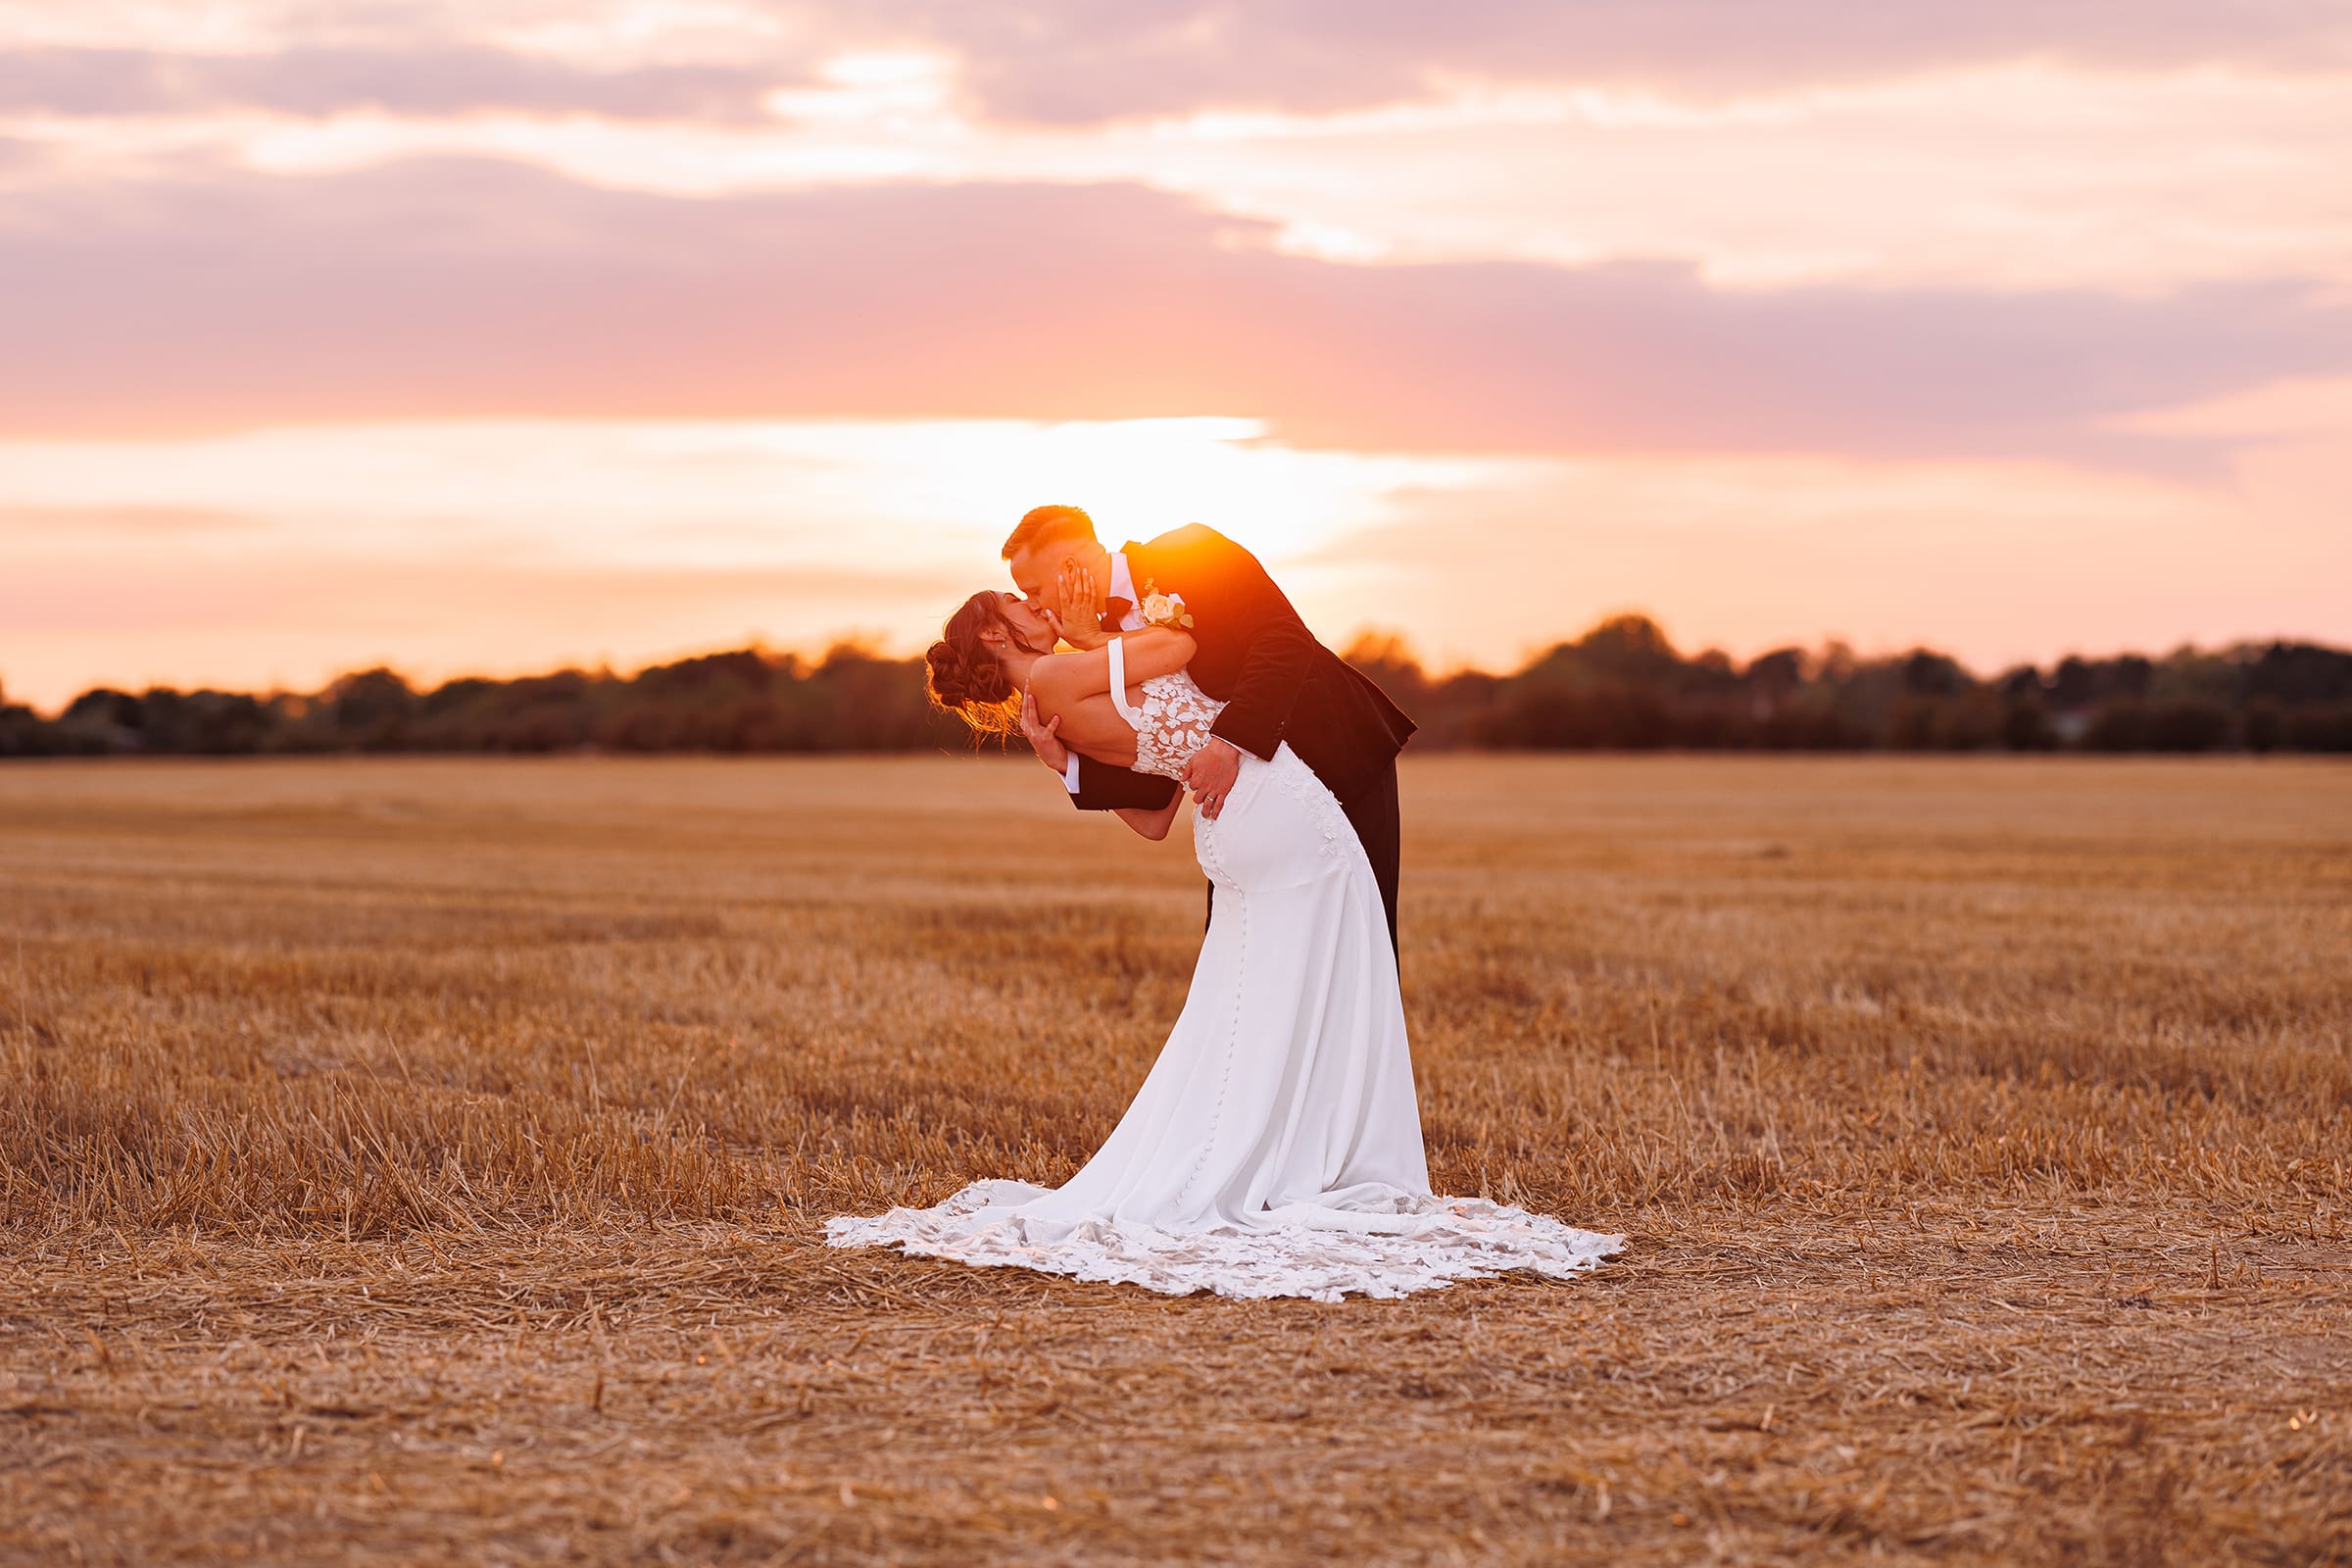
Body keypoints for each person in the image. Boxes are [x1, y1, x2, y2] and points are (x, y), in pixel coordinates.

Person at [823, 549, 1622, 1300]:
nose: (1038, 607)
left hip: (1223, 832)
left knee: (1253, 1004)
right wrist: (1101, 627)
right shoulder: (1065, 672)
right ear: (997, 634)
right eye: (1019, 604)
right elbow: (1176, 649)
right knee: (1334, 979)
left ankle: (1270, 1157)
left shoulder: (1051, 710)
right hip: (1273, 809)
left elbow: (1150, 818)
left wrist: (1055, 757)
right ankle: (1310, 1161)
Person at [1004, 506, 1415, 956]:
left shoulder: (1191, 550)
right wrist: (1065, 762)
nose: (1035, 605)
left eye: (1033, 589)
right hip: (1244, 809)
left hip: (1336, 754)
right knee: (1243, 954)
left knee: (1360, 940)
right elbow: (1158, 789)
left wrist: (1228, 742)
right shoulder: (1097, 644)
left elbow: (1282, 638)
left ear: (1069, 566)